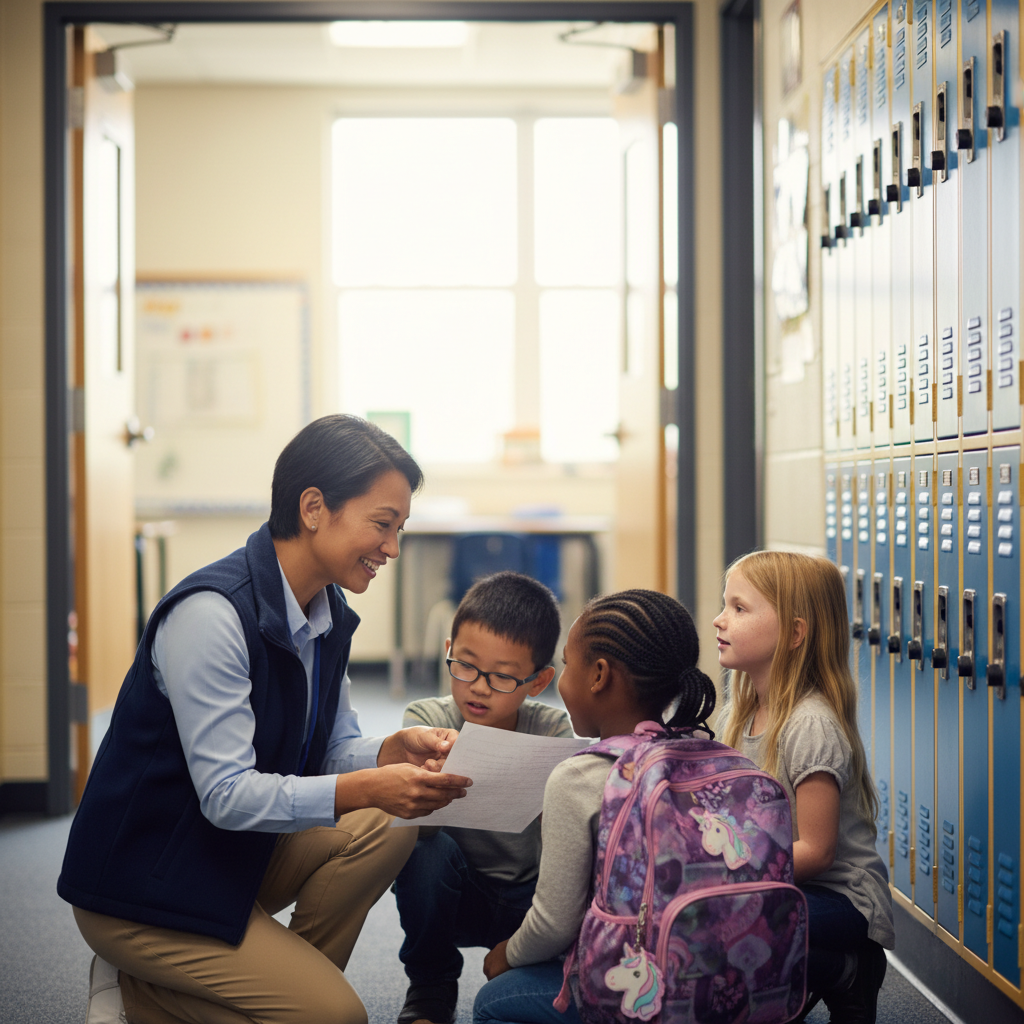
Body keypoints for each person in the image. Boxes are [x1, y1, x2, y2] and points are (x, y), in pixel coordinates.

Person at [57, 414, 473, 1024]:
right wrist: (367, 784)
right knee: (337, 1017)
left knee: (388, 823)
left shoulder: (324, 609)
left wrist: (390, 753)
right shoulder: (212, 616)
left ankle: (253, 990)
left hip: (225, 860)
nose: (392, 548)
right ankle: (137, 991)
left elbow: (331, 751)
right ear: (313, 508)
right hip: (143, 888)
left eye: (399, 528)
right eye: (382, 525)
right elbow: (226, 796)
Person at [472, 589, 718, 1024]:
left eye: (568, 664)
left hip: (647, 986)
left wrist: (505, 956)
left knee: (494, 1001)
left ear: (599, 675)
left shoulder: (580, 777)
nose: (564, 680)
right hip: (723, 974)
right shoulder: (706, 750)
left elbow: (553, 925)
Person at [714, 551, 894, 1024]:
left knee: (726, 925)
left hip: (841, 898)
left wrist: (732, 873)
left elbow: (817, 851)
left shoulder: (810, 724)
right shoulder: (742, 711)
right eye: (724, 605)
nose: (719, 620)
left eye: (739, 608)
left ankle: (846, 970)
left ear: (795, 633)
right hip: (784, 882)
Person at [394, 571, 573, 1024]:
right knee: (421, 849)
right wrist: (427, 781)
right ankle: (431, 985)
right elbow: (417, 829)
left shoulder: (551, 730)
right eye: (466, 665)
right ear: (449, 650)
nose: (478, 686)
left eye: (502, 678)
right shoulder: (426, 719)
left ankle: (537, 971)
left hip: (532, 898)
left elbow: (567, 837)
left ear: (537, 681)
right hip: (459, 891)